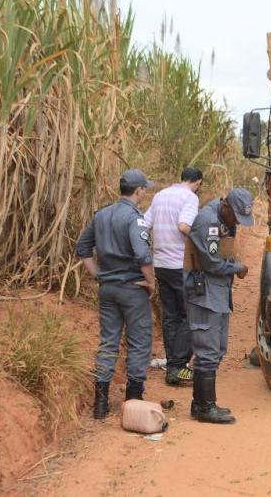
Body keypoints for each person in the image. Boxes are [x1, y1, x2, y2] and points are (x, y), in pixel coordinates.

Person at [75, 169, 157, 420]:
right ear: (139, 190)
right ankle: (132, 401)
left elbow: (82, 247)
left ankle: (100, 404)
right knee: (139, 341)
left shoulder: (102, 214)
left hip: (107, 288)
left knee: (108, 342)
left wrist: (98, 275)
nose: (145, 192)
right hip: (132, 288)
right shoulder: (135, 218)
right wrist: (151, 282)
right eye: (145, 189)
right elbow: (142, 254)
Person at [184, 187, 254, 424]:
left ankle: (201, 403)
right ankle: (205, 407)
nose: (238, 222)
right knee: (207, 350)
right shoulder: (208, 222)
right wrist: (238, 268)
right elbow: (212, 264)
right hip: (205, 293)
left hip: (218, 292)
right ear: (226, 206)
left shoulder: (222, 217)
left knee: (217, 348)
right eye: (236, 216)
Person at [144, 167, 203, 386]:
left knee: (171, 316)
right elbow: (184, 225)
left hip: (160, 264)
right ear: (197, 182)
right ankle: (178, 366)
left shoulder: (160, 195)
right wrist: (202, 240)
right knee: (191, 314)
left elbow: (144, 223)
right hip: (180, 264)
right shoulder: (190, 198)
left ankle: (172, 364)